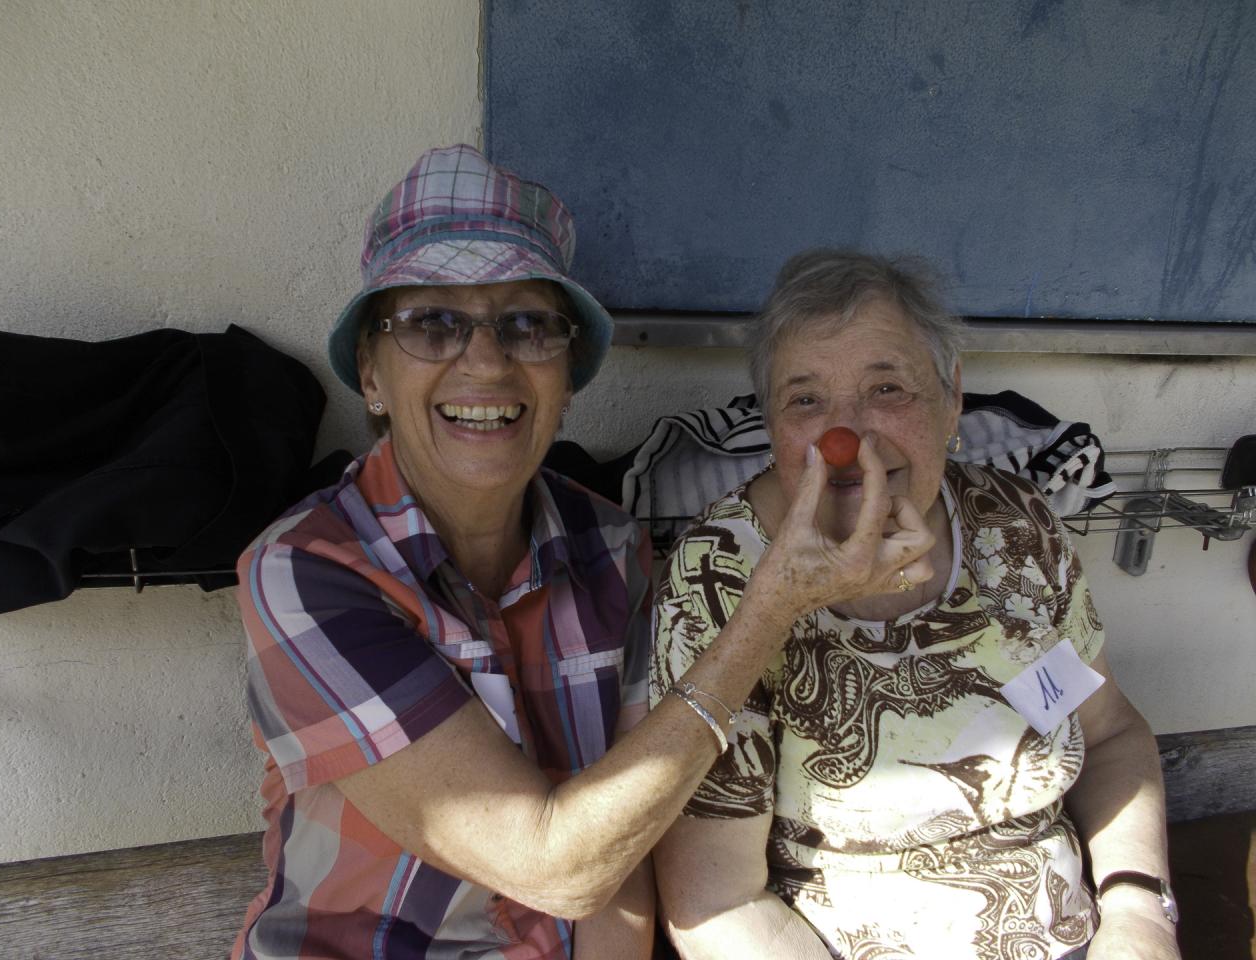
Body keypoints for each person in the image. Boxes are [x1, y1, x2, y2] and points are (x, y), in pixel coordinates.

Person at [231, 148, 933, 960]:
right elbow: (555, 869)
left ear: (566, 378)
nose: (487, 361)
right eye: (432, 323)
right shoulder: (306, 573)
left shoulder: (614, 549)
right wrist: (769, 610)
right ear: (372, 375)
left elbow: (625, 844)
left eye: (528, 324)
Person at [651, 250, 1181, 960]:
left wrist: (1139, 913)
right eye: (806, 400)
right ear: (772, 423)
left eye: (886, 389)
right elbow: (716, 904)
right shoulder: (719, 576)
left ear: (951, 396)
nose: (848, 438)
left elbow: (1111, 734)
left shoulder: (1014, 525)